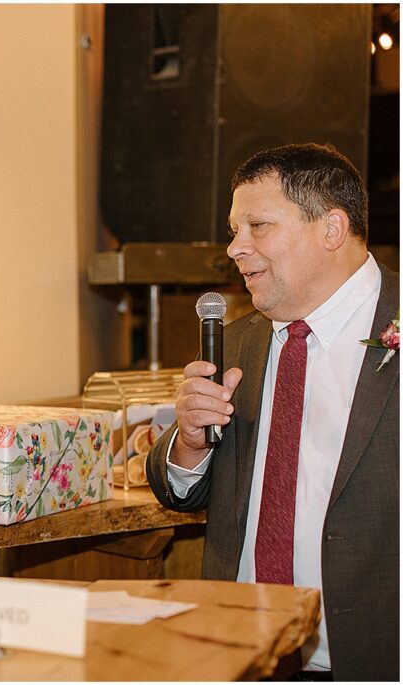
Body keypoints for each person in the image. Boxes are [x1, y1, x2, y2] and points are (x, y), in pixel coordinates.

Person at [146, 143, 398, 681]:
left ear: (331, 229)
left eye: (257, 226)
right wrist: (187, 443)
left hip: (374, 655)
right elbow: (178, 489)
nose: (236, 249)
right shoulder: (233, 344)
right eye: (235, 230)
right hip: (243, 655)